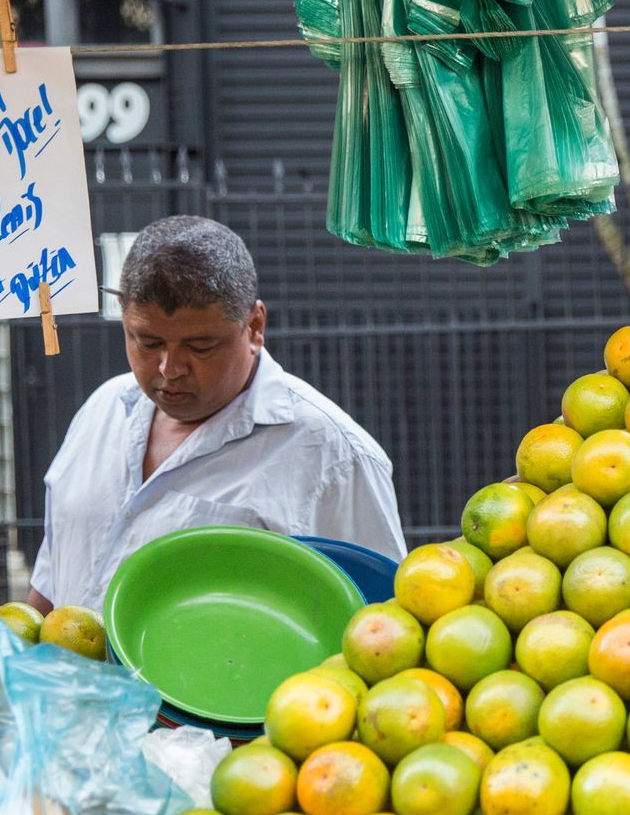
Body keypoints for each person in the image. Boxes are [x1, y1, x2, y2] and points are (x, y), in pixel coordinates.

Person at [27, 216, 405, 612]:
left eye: (201, 346)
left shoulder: (335, 457)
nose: (169, 368)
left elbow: (382, 626)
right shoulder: (101, 412)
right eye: (148, 341)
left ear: (255, 326)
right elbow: (51, 584)